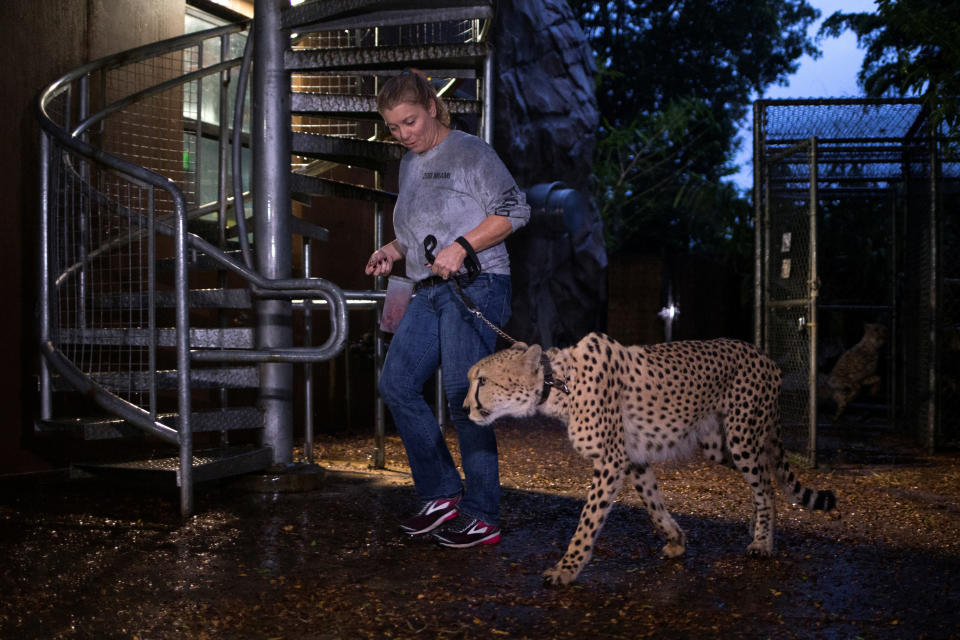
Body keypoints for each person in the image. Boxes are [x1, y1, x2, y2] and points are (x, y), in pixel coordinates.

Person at [365, 69, 530, 548]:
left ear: (432, 109)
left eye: (410, 122)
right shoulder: (410, 163)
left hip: (479, 283)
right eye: (394, 127)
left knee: (464, 393)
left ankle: (483, 513)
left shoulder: (470, 152)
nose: (404, 134)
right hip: (428, 288)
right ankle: (442, 493)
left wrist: (462, 245)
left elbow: (515, 210)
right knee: (396, 383)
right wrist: (394, 251)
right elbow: (421, 227)